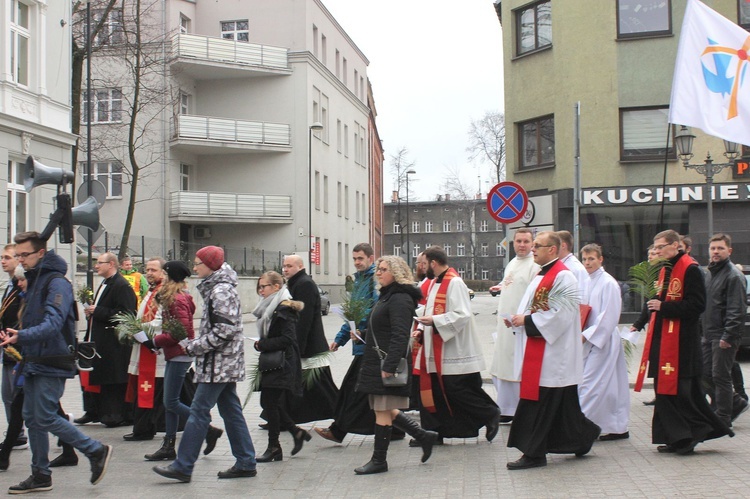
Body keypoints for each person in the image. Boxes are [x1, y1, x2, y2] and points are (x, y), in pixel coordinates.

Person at [0, 231, 112, 493]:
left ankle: (95, 450)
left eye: (23, 255)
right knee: (32, 417)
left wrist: (22, 336)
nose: (19, 260)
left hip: (52, 360)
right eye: (17, 256)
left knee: (45, 416)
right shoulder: (34, 281)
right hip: (35, 360)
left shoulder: (55, 282)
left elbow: (52, 323)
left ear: (41, 253)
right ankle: (40, 474)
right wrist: (15, 335)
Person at [153, 246, 256, 482]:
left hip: (219, 364)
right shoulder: (218, 288)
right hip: (220, 363)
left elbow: (225, 330)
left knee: (199, 412)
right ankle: (246, 461)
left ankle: (183, 465)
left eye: (198, 262)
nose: (195, 266)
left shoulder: (221, 291)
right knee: (231, 412)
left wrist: (193, 346)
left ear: (211, 265)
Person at [505, 231, 600, 470]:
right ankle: (583, 437)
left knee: (539, 405)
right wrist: (519, 319)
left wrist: (526, 321)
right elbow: (532, 308)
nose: (533, 249)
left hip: (554, 355)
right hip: (543, 351)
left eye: (538, 245)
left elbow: (561, 316)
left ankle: (534, 454)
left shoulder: (563, 277)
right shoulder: (541, 275)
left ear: (553, 250)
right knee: (565, 409)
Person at [637, 229, 733, 455]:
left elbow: (697, 306)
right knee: (664, 393)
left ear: (675, 246)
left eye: (661, 246)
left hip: (682, 346)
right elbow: (657, 301)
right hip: (663, 342)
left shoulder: (690, 269)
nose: (657, 250)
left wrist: (664, 307)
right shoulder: (664, 270)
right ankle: (675, 437)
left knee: (682, 394)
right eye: (655, 247)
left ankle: (690, 435)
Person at [354, 256, 436, 475]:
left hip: (387, 363)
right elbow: (383, 327)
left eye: (383, 270)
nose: (378, 273)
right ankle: (423, 436)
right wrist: (362, 334)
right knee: (385, 408)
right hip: (377, 361)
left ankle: (379, 461)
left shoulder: (399, 298)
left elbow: (400, 335)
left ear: (397, 273)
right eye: (378, 269)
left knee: (382, 411)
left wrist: (389, 365)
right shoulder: (387, 295)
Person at [413, 246, 501, 443]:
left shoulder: (455, 283)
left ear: (433, 263)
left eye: (425, 263)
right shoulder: (436, 282)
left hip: (455, 348)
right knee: (438, 391)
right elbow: (429, 309)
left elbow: (462, 314)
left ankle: (490, 413)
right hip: (436, 345)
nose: (423, 267)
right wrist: (420, 325)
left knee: (455, 389)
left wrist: (434, 321)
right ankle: (437, 431)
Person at [316, 243, 396, 444]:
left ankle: (338, 430)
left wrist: (362, 330)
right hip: (360, 344)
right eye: (354, 259)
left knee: (353, 389)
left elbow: (376, 311)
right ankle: (396, 430)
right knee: (361, 392)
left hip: (370, 344)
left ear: (371, 258)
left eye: (360, 258)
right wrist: (339, 340)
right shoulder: (358, 281)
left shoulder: (373, 281)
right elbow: (351, 315)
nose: (357, 262)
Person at [144, 260, 198, 461]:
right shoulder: (175, 297)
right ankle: (168, 444)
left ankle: (205, 425)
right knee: (170, 402)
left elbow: (181, 331)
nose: (162, 277)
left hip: (180, 353)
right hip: (175, 352)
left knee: (171, 401)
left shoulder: (177, 299)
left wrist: (155, 341)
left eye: (165, 274)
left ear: (171, 277)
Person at [252, 271, 308, 462]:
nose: (261, 291)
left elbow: (288, 339)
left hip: (282, 363)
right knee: (272, 403)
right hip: (274, 362)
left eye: (264, 286)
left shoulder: (283, 309)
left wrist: (262, 344)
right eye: (259, 287)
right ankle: (295, 433)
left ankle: (274, 447)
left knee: (271, 403)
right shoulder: (271, 307)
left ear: (276, 287)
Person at [77, 252, 137, 428]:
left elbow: (127, 314)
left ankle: (114, 414)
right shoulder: (105, 283)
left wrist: (99, 311)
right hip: (98, 339)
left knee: (111, 380)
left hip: (113, 343)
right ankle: (94, 411)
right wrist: (92, 312)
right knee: (95, 376)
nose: (96, 266)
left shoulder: (121, 285)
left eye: (100, 263)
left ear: (111, 264)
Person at [579, 244, 629, 440]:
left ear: (601, 260)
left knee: (590, 384)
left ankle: (581, 426)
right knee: (609, 386)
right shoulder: (586, 281)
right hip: (587, 338)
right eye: (584, 259)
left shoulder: (608, 283)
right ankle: (614, 426)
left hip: (603, 339)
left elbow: (609, 315)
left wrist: (588, 334)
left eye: (591, 259)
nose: (588, 263)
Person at [490, 228, 539, 425]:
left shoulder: (534, 265)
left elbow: (534, 294)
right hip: (505, 324)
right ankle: (506, 407)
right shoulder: (512, 262)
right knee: (503, 364)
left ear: (532, 243)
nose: (522, 245)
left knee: (516, 366)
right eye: (518, 241)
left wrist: (523, 318)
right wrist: (500, 287)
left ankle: (518, 407)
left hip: (519, 324)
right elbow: (511, 283)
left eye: (526, 241)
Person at [280, 255, 338, 423]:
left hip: (310, 346)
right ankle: (281, 417)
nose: (285, 269)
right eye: (284, 266)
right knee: (298, 383)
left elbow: (303, 319)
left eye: (289, 266)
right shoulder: (295, 283)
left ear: (300, 266)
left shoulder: (304, 284)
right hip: (307, 345)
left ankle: (341, 414)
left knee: (321, 386)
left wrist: (297, 345)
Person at [702, 233, 748, 426]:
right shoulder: (710, 273)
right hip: (708, 333)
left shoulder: (733, 276)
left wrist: (728, 335)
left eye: (720, 248)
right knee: (705, 373)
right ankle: (734, 402)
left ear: (729, 251)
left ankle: (723, 416)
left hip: (723, 335)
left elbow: (736, 309)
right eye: (713, 248)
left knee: (721, 376)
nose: (716, 252)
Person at [124, 257, 166, 441]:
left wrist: (138, 330)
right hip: (144, 346)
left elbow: (161, 321)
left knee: (154, 392)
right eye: (147, 269)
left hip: (155, 350)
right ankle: (143, 428)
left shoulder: (163, 292)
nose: (149, 273)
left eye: (153, 270)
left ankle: (145, 429)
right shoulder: (151, 290)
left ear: (163, 273)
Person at [0, 244, 25, 450]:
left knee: (17, 395)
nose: (3, 261)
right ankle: (15, 433)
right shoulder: (10, 285)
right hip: (7, 345)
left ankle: (17, 434)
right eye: (2, 257)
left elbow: (21, 317)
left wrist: (13, 333)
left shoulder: (21, 286)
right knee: (8, 394)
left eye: (7, 257)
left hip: (17, 347)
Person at [555, 230, 590, 304]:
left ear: (563, 246)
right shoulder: (560, 264)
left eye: (555, 245)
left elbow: (582, 298)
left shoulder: (576, 268)